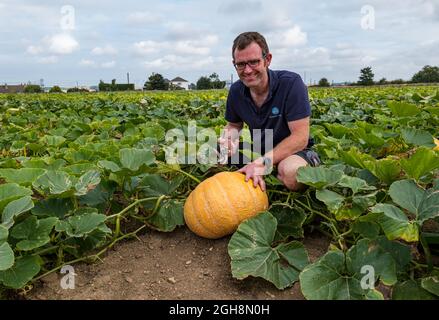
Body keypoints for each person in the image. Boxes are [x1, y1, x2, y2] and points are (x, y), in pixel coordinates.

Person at [218, 31, 320, 192]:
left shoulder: (291, 83)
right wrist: (228, 140)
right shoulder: (236, 90)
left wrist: (260, 164)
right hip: (259, 150)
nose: (248, 70)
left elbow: (300, 138)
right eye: (241, 64)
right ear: (234, 64)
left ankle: (309, 163)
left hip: (293, 152)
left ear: (267, 60)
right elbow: (233, 125)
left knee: (291, 175)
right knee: (215, 154)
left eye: (253, 62)